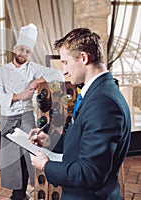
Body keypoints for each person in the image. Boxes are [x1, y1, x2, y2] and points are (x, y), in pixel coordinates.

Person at [29, 28, 131, 200]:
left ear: (83, 58)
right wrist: (50, 142)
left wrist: (46, 165)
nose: (64, 71)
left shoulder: (103, 103)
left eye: (65, 63)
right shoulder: (97, 91)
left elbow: (90, 173)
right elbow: (82, 139)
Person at [0, 23, 63, 200]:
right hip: (8, 116)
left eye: (27, 51)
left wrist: (37, 80)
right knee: (11, 156)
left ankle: (36, 187)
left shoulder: (33, 68)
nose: (23, 54)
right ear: (15, 49)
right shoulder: (1, 71)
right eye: (21, 49)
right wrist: (20, 95)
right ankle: (17, 192)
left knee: (31, 151)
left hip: (26, 116)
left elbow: (59, 75)